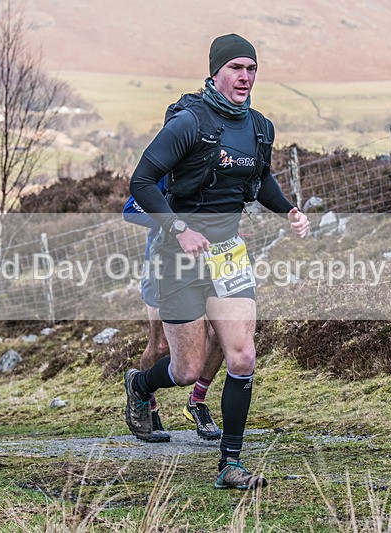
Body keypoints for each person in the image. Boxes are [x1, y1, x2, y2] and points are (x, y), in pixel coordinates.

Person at [125, 34, 310, 490]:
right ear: (215, 72)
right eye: (236, 68)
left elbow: (261, 179)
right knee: (185, 368)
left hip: (228, 256)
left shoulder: (260, 127)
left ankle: (231, 464)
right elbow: (142, 182)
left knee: (242, 356)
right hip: (178, 255)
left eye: (251, 68)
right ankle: (141, 386)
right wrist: (178, 229)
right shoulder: (190, 122)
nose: (245, 76)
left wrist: (288, 208)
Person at [123, 183, 223, 443]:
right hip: (163, 264)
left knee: (222, 333)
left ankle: (197, 402)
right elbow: (130, 210)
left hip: (210, 262)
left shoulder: (215, 159)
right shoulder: (168, 165)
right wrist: (176, 225)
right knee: (160, 345)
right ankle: (146, 402)